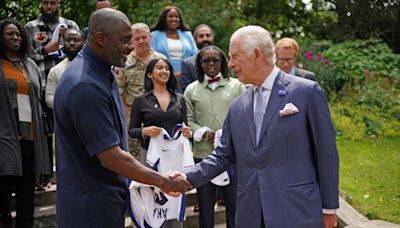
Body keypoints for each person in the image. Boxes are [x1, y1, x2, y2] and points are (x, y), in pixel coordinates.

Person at [173, 25, 339, 228]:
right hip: (250, 214)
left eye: (235, 56)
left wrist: (329, 208)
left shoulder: (306, 92)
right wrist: (186, 177)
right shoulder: (238, 105)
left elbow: (326, 152)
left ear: (257, 54)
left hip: (297, 212)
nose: (231, 64)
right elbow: (223, 155)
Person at [53, 8, 191, 228]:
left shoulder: (101, 72)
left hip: (104, 200)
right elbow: (111, 156)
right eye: (125, 40)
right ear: (101, 38)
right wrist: (162, 181)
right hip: (90, 208)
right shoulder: (85, 85)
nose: (131, 46)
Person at [184, 45, 245, 228]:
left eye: (215, 60)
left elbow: (245, 116)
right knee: (205, 205)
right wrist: (201, 132)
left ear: (222, 62)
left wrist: (223, 134)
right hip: (203, 154)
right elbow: (189, 119)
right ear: (200, 64)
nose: (211, 64)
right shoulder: (191, 90)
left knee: (234, 203)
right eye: (206, 60)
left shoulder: (237, 86)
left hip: (232, 154)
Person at [128, 58, 193, 228]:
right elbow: (132, 130)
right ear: (150, 74)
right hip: (150, 158)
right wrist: (145, 131)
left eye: (167, 68)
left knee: (174, 198)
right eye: (159, 68)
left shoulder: (179, 99)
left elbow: (186, 127)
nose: (164, 71)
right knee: (153, 200)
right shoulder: (141, 100)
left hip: (174, 159)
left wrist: (188, 132)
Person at [0, 18, 50, 228]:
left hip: (28, 136)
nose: (15, 37)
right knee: (3, 189)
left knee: (26, 197)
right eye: (10, 34)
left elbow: (37, 100)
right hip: (4, 138)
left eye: (19, 34)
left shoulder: (29, 64)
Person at [25, 0, 79, 190]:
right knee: (44, 133)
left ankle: (72, 171)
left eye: (53, 3)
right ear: (41, 4)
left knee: (71, 131)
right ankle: (44, 176)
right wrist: (46, 50)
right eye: (46, 3)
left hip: (68, 87)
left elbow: (79, 52)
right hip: (40, 84)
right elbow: (24, 55)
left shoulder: (70, 25)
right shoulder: (30, 27)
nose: (49, 7)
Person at [116, 22, 165, 159]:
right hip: (134, 119)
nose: (141, 41)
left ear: (150, 37)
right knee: (134, 159)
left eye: (144, 37)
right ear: (131, 40)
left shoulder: (161, 60)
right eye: (137, 38)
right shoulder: (124, 62)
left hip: (159, 116)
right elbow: (120, 92)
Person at [150, 5, 198, 93]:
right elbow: (152, 57)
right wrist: (171, 74)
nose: (174, 19)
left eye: (177, 17)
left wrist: (182, 73)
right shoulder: (154, 35)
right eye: (170, 16)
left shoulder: (187, 35)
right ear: (164, 18)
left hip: (186, 77)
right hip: (163, 77)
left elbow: (195, 55)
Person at [45, 28, 85, 109]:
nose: (72, 43)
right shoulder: (55, 70)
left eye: (76, 40)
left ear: (84, 43)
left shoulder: (94, 65)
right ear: (63, 43)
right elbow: (49, 98)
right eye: (68, 40)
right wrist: (69, 105)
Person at [181, 24, 215, 91]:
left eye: (208, 35)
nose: (205, 38)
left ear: (213, 37)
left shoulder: (223, 60)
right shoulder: (187, 64)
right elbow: (186, 90)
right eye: (201, 36)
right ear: (195, 40)